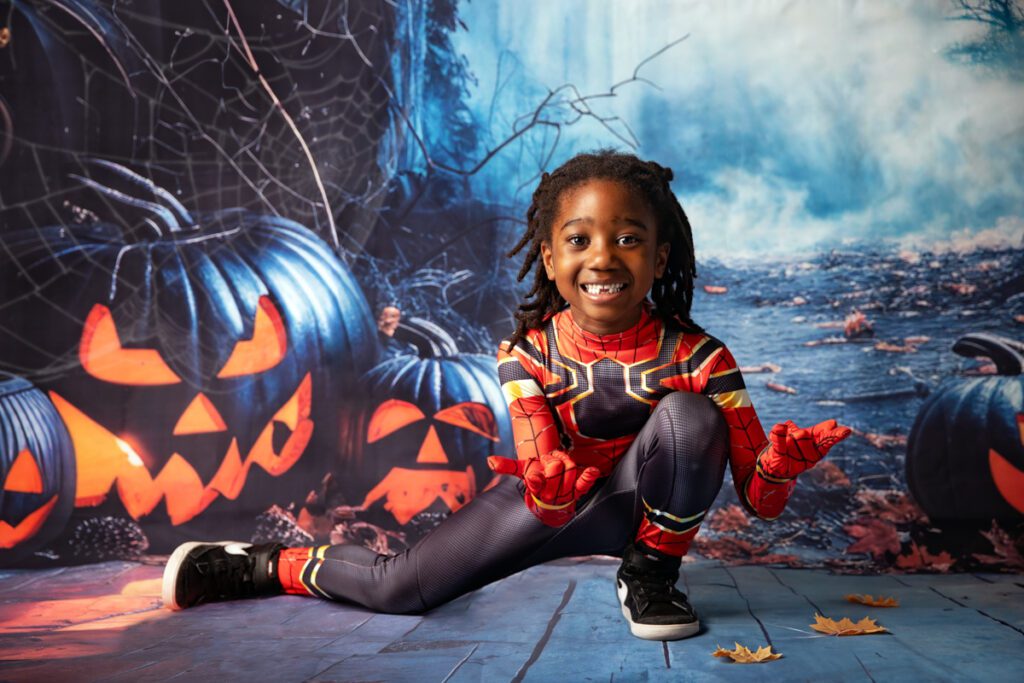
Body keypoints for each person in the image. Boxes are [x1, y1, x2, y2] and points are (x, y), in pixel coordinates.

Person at [162, 150, 850, 641]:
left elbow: (759, 501)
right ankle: (259, 564)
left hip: (644, 510)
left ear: (659, 258)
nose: (603, 257)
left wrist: (779, 466)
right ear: (550, 259)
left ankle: (651, 575)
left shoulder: (702, 359)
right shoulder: (527, 356)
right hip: (549, 506)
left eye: (629, 238)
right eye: (579, 239)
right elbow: (541, 460)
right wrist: (550, 487)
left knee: (690, 415)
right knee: (398, 589)